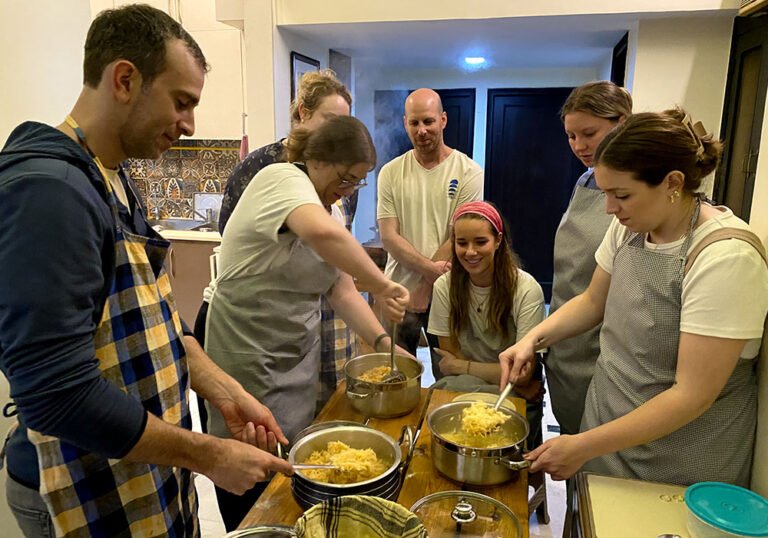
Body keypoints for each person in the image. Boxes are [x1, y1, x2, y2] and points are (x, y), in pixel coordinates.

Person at [0, 5, 292, 538]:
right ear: (125, 80)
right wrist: (205, 454)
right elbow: (56, 392)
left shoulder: (112, 176)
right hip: (78, 488)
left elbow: (159, 324)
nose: (189, 125)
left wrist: (224, 391)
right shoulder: (48, 192)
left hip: (132, 475)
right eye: (182, 102)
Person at [499, 108, 768, 487]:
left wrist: (582, 445)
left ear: (672, 182)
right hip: (607, 422)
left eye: (621, 194)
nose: (609, 208)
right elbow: (593, 301)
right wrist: (531, 340)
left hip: (676, 458)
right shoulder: (630, 228)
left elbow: (691, 396)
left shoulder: (726, 257)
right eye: (606, 193)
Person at [204, 115, 410, 530]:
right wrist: (385, 284)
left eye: (358, 182)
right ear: (318, 159)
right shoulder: (281, 180)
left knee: (292, 468)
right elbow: (322, 237)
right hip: (247, 355)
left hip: (295, 359)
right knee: (249, 473)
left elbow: (341, 290)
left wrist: (383, 342)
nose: (349, 190)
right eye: (347, 177)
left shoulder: (327, 209)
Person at [195, 70, 353, 433]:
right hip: (246, 330)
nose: (336, 135)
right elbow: (241, 243)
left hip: (294, 325)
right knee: (246, 442)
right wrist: (381, 283)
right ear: (302, 112)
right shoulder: (267, 169)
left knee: (297, 431)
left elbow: (337, 270)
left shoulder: (335, 182)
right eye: (330, 122)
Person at [377, 88, 483, 378]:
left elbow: (459, 236)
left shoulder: (469, 171)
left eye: (428, 121)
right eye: (414, 123)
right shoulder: (390, 172)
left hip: (448, 294)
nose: (422, 130)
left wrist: (425, 287)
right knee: (396, 375)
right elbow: (389, 236)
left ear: (443, 120)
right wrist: (424, 274)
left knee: (450, 376)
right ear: (405, 123)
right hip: (398, 293)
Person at [547, 81, 633, 437]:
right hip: (566, 336)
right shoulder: (585, 180)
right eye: (571, 136)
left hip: (600, 344)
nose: (579, 146)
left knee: (595, 447)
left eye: (589, 133)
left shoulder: (640, 194)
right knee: (570, 436)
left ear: (622, 122)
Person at [427, 201, 546, 444]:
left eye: (481, 242)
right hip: (490, 387)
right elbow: (448, 355)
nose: (470, 252)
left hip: (510, 394)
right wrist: (505, 380)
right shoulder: (444, 286)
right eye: (462, 243)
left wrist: (463, 367)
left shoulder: (526, 289)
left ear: (498, 240)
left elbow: (522, 374)